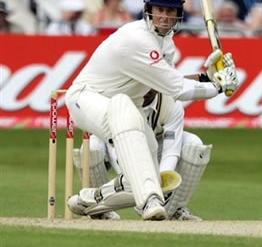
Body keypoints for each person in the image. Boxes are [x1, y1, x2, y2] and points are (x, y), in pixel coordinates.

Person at [64, 0, 238, 221]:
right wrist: (217, 87)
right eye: (160, 10)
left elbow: (164, 84)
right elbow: (177, 89)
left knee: (149, 174)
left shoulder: (166, 44)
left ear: (178, 14)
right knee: (122, 106)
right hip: (87, 98)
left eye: (170, 11)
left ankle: (90, 199)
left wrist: (205, 77)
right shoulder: (136, 39)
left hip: (128, 114)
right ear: (148, 9)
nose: (164, 17)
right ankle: (150, 202)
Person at [72, 90, 211, 220]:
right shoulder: (117, 99)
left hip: (155, 147)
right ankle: (101, 212)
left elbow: (171, 150)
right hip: (115, 145)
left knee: (195, 144)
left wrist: (158, 189)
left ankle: (172, 210)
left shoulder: (171, 103)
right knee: (90, 148)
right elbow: (117, 149)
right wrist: (140, 186)